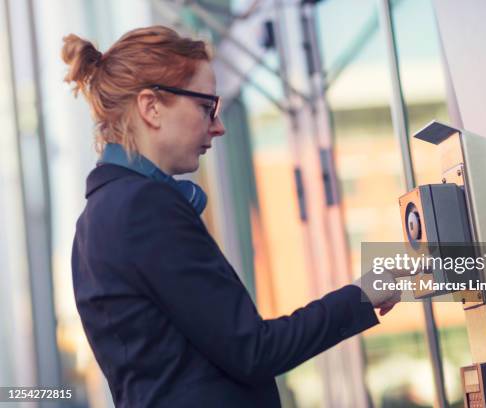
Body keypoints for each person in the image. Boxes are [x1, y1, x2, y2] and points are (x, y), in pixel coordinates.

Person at [66, 26, 401, 407]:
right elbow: (253, 350)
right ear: (151, 107)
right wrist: (363, 294)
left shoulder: (95, 220)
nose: (219, 126)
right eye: (206, 106)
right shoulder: (144, 207)